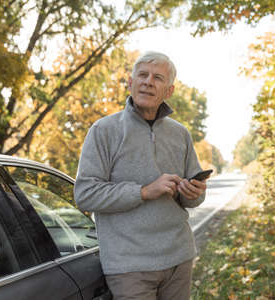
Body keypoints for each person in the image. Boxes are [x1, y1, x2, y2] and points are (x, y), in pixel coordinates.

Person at [74, 51, 206, 300]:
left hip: (179, 257)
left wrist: (194, 193)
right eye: (142, 75)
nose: (148, 81)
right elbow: (85, 194)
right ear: (130, 82)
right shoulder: (103, 131)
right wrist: (144, 191)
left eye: (157, 77)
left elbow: (193, 199)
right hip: (129, 267)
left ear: (168, 91)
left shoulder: (181, 134)